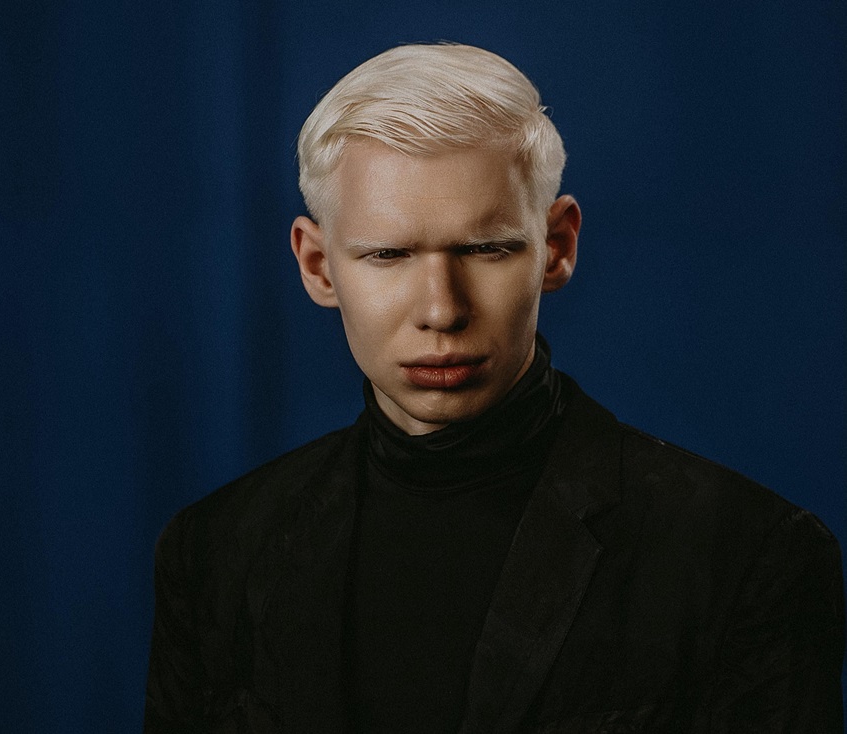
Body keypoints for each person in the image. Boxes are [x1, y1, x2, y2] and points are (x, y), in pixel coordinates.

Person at [143, 43, 844, 733]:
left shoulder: (747, 554)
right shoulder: (213, 552)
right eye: (388, 254)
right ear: (318, 265)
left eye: (486, 249)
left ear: (557, 247)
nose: (441, 310)